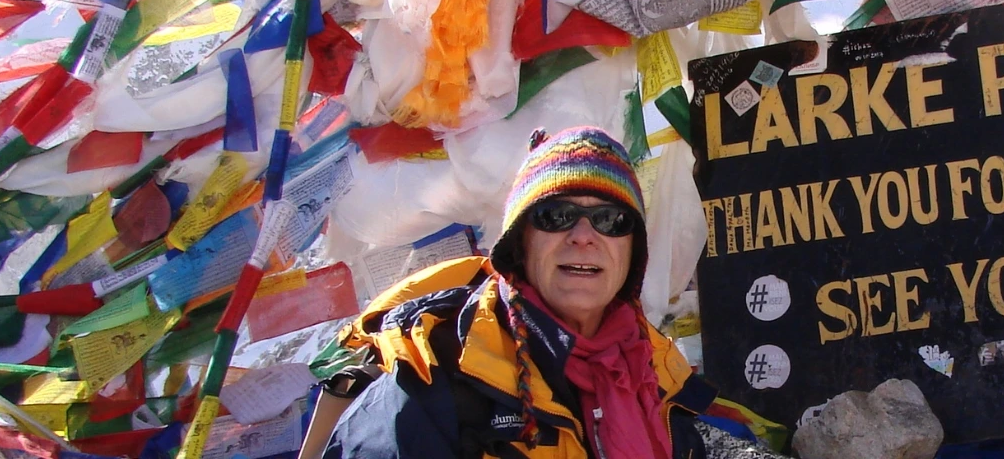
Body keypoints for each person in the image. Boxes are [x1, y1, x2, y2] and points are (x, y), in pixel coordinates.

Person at [319, 127, 779, 458]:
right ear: (520, 243)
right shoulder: (428, 388)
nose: (584, 236)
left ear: (632, 254)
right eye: (556, 216)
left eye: (611, 220)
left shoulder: (654, 374)